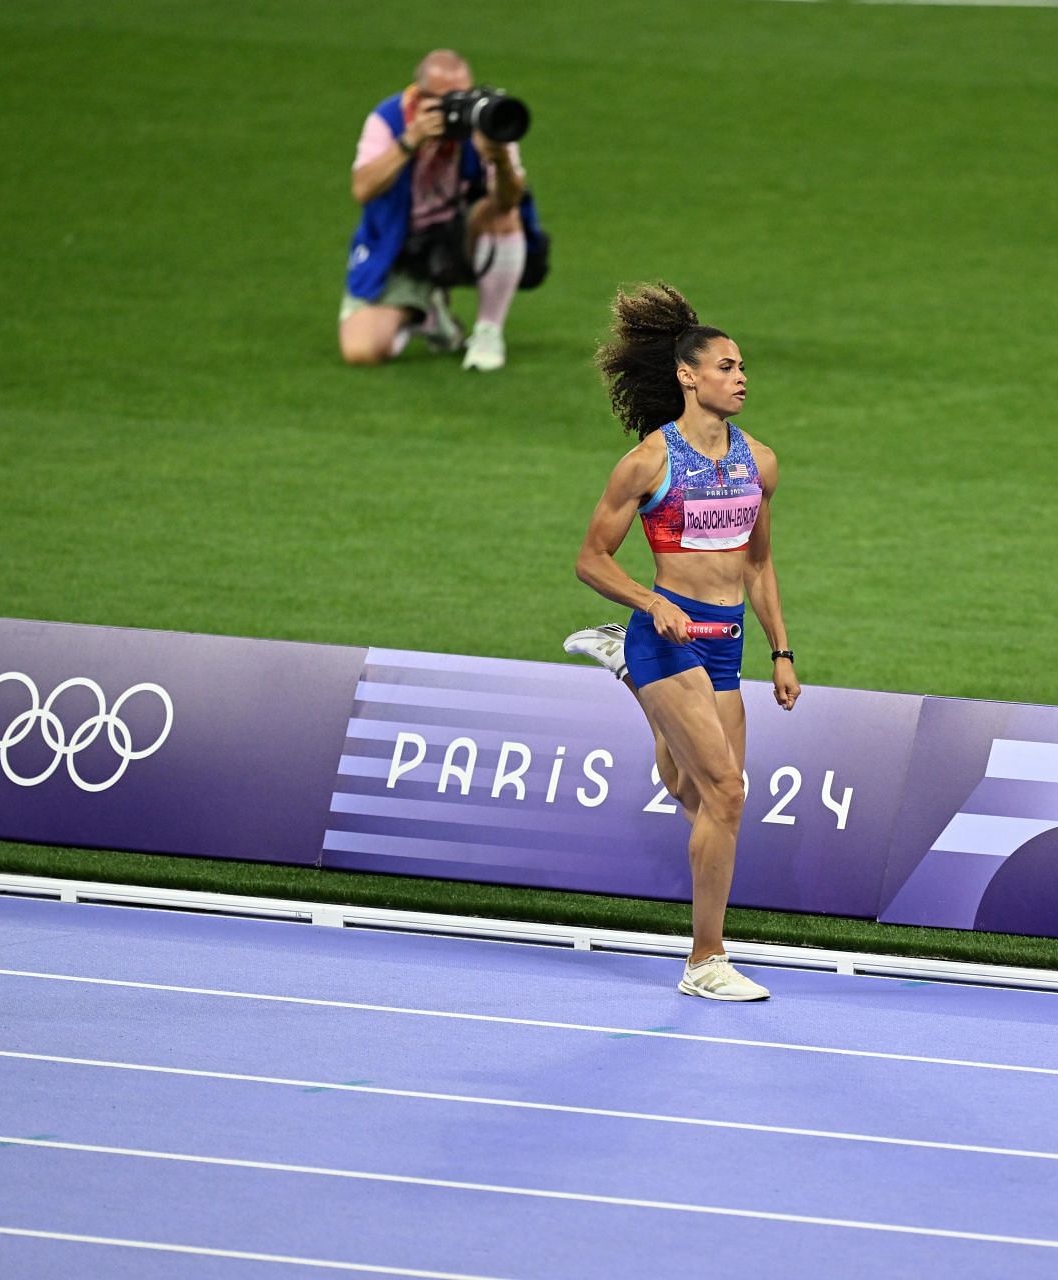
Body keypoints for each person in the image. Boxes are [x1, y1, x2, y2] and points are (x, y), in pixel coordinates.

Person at [566, 284, 799, 1002]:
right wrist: (648, 600)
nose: (741, 377)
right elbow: (591, 559)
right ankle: (705, 962)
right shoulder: (648, 462)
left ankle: (626, 668)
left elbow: (758, 563)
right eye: (727, 366)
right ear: (688, 376)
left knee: (693, 795)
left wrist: (781, 652)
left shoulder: (759, 462)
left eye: (743, 368)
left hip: (724, 643)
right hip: (669, 635)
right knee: (728, 793)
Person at [339, 49, 546, 371]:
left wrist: (499, 158)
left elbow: (509, 202)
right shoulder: (389, 118)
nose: (459, 108)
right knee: (361, 351)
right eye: (447, 101)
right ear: (419, 96)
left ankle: (487, 333)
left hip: (462, 236)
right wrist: (411, 139)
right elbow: (362, 189)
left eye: (463, 97)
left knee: (502, 216)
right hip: (400, 246)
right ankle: (427, 314)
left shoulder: (488, 119)